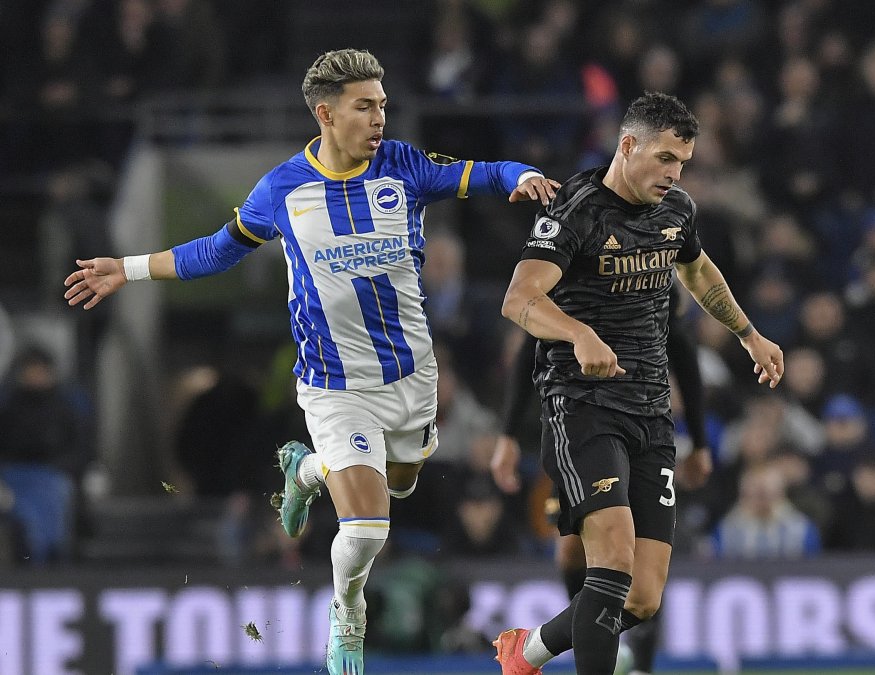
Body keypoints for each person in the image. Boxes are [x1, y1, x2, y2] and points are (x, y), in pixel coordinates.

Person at [62, 48, 559, 675]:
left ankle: (303, 470)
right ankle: (347, 616)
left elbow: (486, 171)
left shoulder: (405, 166)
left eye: (382, 104)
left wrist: (520, 176)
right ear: (326, 113)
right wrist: (129, 269)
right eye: (365, 106)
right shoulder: (282, 189)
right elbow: (218, 251)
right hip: (334, 386)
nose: (380, 117)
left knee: (402, 481)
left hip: (412, 376)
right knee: (370, 527)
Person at [490, 92, 783, 675]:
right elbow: (519, 300)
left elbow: (697, 270)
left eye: (683, 163)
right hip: (582, 406)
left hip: (651, 413)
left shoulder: (676, 210)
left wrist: (749, 334)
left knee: (642, 597)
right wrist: (577, 334)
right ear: (628, 146)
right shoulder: (576, 209)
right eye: (666, 159)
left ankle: (529, 651)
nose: (674, 174)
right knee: (611, 564)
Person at [489, 284, 714, 675]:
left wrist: (699, 439)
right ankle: (611, 656)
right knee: (581, 554)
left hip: (648, 426)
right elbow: (531, 342)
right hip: (582, 422)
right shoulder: (572, 255)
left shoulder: (655, 261)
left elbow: (681, 347)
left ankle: (536, 648)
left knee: (641, 594)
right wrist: (508, 434)